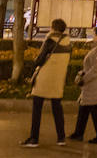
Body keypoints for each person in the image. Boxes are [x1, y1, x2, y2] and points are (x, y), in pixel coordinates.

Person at [22, 18, 72, 147]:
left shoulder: (50, 40)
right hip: (58, 80)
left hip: (44, 79)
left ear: (53, 28)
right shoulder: (68, 43)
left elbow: (39, 60)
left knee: (37, 109)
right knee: (57, 108)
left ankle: (34, 138)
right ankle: (61, 138)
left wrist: (31, 70)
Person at [68, 26, 97, 144]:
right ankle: (79, 133)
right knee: (84, 108)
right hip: (94, 83)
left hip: (95, 84)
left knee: (95, 109)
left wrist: (84, 79)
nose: (93, 36)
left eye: (94, 34)